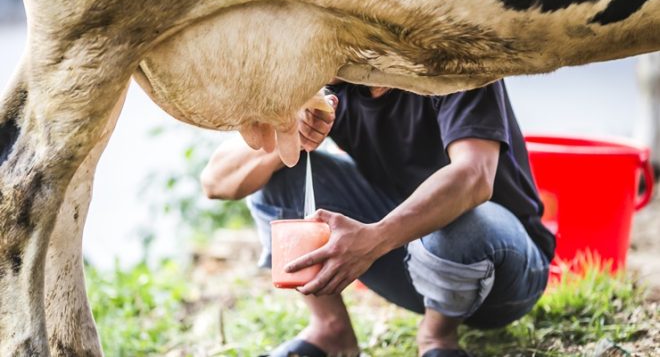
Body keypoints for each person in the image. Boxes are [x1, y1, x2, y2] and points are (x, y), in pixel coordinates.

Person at [200, 80, 555, 357]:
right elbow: (215, 181)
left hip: (505, 274)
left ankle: (437, 335)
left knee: (465, 222)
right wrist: (291, 137)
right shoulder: (338, 81)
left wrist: (373, 238)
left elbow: (474, 177)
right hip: (412, 264)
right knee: (278, 178)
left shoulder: (455, 55)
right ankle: (330, 329)